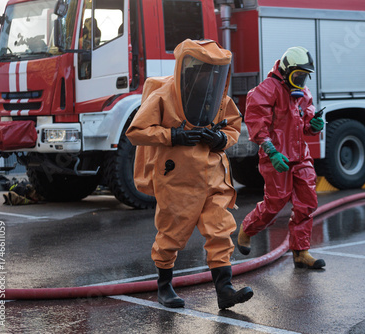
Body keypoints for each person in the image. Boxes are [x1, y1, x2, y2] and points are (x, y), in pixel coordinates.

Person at [126, 39, 253, 309]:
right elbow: (136, 132)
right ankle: (164, 287)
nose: (208, 76)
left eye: (212, 71)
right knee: (171, 234)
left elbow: (232, 127)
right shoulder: (163, 96)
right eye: (203, 69)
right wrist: (173, 135)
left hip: (214, 178)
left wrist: (219, 139)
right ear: (188, 67)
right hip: (178, 179)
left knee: (220, 230)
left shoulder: (219, 98)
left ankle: (225, 290)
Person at [237, 46, 326, 269]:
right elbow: (258, 125)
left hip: (300, 156)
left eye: (304, 76)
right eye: (298, 75)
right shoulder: (266, 90)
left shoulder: (303, 94)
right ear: (286, 71)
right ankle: (247, 229)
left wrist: (314, 126)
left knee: (307, 203)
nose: (302, 80)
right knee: (275, 204)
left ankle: (301, 252)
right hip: (275, 156)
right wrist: (271, 151)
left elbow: (305, 126)